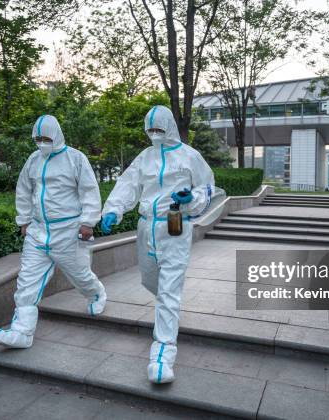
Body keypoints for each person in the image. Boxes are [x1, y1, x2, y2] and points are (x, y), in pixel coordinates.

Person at [100, 105, 215, 384]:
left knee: (168, 291)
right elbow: (128, 184)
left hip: (175, 226)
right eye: (150, 130)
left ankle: (163, 354)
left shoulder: (190, 156)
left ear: (169, 127)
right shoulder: (145, 157)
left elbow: (208, 188)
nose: (154, 134)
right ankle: (168, 308)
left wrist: (192, 200)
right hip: (146, 226)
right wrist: (113, 210)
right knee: (151, 280)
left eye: (158, 129)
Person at [0, 115, 106, 349]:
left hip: (68, 230)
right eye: (38, 138)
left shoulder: (75, 158)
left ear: (56, 135)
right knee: (27, 281)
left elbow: (89, 191)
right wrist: (23, 220)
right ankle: (22, 332)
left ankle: (96, 294)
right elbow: (23, 190)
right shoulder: (33, 160)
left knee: (80, 275)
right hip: (38, 231)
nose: (42, 142)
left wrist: (88, 222)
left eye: (46, 138)